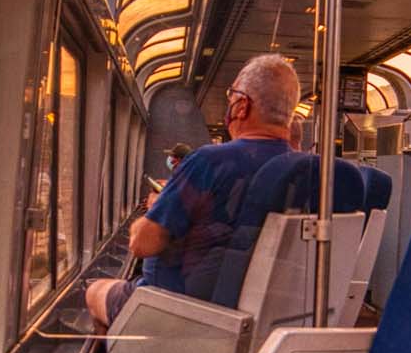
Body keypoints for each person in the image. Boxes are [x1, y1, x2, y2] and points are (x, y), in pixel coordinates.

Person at [85, 54, 300, 327]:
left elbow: (142, 244)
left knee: (95, 291)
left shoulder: (209, 161)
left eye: (232, 96)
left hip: (178, 311)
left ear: (242, 106)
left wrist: (159, 206)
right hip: (261, 316)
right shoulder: (307, 174)